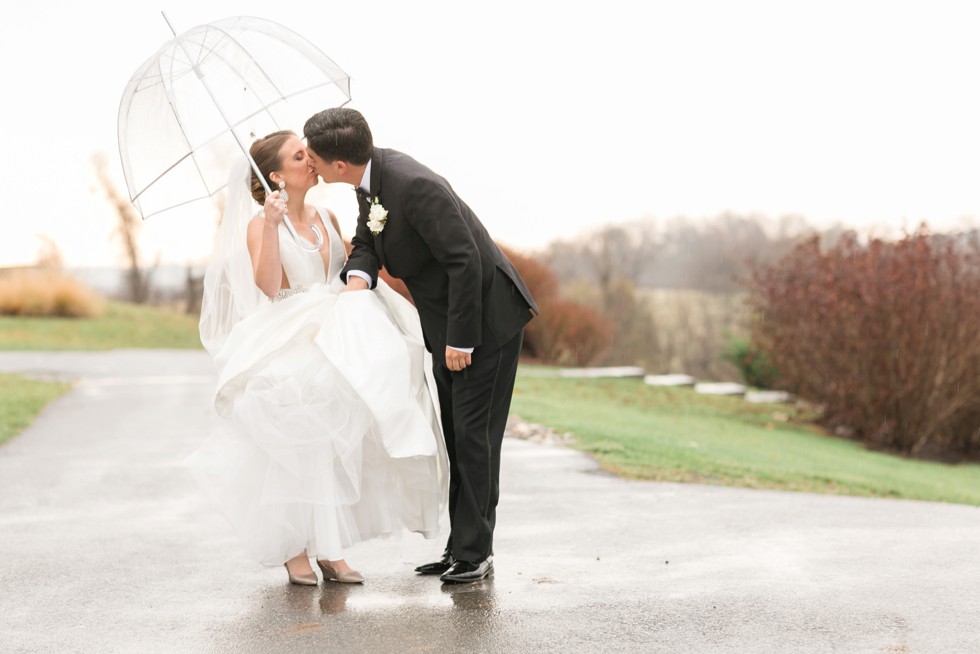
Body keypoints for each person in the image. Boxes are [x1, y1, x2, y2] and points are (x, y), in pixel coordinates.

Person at [192, 130, 447, 586]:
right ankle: (295, 549)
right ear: (275, 176)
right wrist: (270, 226)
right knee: (298, 437)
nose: (310, 159)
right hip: (293, 333)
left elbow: (356, 266)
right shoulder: (259, 225)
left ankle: (330, 548)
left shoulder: (327, 216)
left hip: (339, 330)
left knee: (339, 439)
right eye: (298, 155)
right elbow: (269, 286)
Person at [303, 108, 538, 584]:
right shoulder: (371, 181)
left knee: (475, 440)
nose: (309, 163)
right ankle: (461, 547)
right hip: (448, 326)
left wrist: (461, 340)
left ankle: (476, 553)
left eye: (312, 157)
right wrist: (358, 279)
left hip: (483, 326)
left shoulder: (412, 185)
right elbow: (367, 241)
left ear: (339, 165)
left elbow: (465, 260)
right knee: (457, 437)